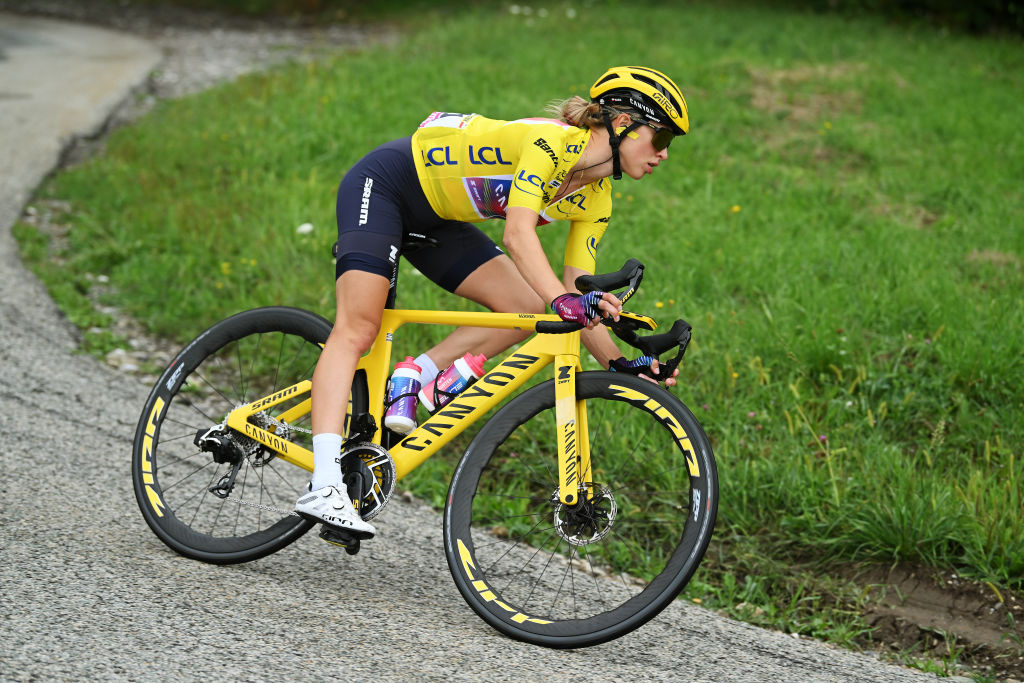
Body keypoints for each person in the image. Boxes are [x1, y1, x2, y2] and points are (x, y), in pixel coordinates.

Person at [294, 66, 690, 540]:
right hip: (386, 186)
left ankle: (415, 372)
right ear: (622, 122)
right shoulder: (552, 144)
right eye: (661, 136)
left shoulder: (597, 197)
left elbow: (572, 294)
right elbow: (517, 234)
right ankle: (324, 483)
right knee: (359, 328)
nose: (664, 154)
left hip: (439, 219)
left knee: (535, 314)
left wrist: (624, 363)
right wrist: (563, 299)